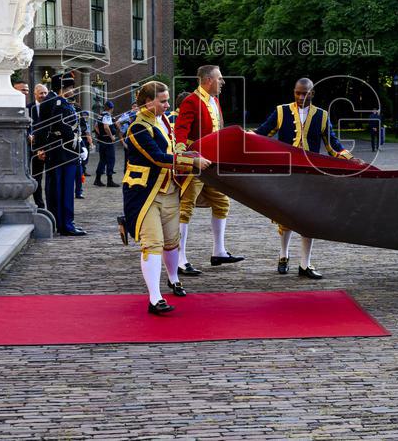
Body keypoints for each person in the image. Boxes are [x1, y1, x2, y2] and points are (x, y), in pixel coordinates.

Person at [120, 81, 210, 314]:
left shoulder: (164, 121)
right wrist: (192, 162)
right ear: (148, 102)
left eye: (167, 100)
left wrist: (190, 153)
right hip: (145, 193)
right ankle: (154, 297)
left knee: (172, 242)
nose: (168, 105)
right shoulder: (137, 128)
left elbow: (171, 151)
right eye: (163, 101)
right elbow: (158, 158)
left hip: (169, 189)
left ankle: (173, 278)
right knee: (153, 243)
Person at [256, 78, 355, 279]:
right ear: (293, 91)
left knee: (308, 218)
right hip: (287, 173)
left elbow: (332, 145)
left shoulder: (322, 115)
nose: (301, 97)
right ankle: (283, 255)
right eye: (298, 93)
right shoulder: (281, 111)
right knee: (285, 217)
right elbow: (261, 135)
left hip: (311, 174)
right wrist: (242, 137)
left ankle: (305, 264)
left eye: (305, 93)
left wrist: (351, 159)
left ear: (312, 93)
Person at [174, 65, 242, 275]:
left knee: (222, 202)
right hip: (196, 163)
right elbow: (181, 131)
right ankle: (179, 258)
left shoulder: (215, 100)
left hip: (212, 163)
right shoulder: (191, 101)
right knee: (185, 208)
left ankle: (218, 251)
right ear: (208, 80)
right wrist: (184, 156)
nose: (222, 82)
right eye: (219, 78)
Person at [36, 72, 86, 236]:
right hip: (63, 152)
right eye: (71, 86)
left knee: (56, 188)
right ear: (64, 87)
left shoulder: (55, 101)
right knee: (62, 189)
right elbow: (54, 127)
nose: (73, 90)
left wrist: (41, 147)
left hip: (61, 151)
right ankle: (66, 224)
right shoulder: (57, 102)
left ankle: (60, 221)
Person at [28, 83, 49, 209]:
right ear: (35, 94)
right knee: (37, 177)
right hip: (33, 148)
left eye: (45, 93)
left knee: (51, 177)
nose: (43, 95)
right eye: (41, 93)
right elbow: (25, 126)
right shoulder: (28, 108)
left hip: (49, 147)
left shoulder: (51, 107)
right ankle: (40, 204)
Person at [93, 100, 120, 187]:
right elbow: (106, 127)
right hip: (108, 141)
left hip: (102, 140)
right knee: (110, 159)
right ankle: (110, 180)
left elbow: (96, 126)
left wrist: (100, 135)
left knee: (102, 160)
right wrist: (111, 136)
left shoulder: (100, 115)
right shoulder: (107, 116)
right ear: (111, 108)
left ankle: (97, 179)